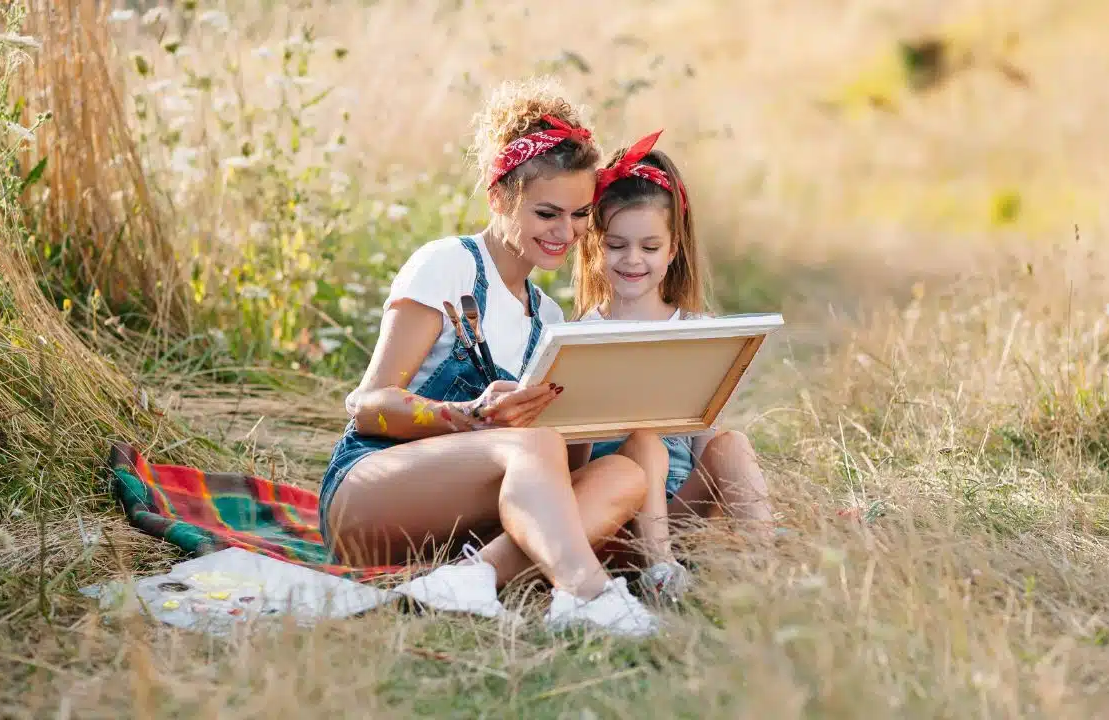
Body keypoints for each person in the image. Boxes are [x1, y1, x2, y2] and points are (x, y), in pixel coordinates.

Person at [317, 78, 660, 638]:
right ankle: (587, 594)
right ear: (500, 197)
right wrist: (470, 415)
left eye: (579, 215)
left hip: (460, 526)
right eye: (547, 213)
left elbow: (550, 478)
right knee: (535, 443)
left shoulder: (549, 318)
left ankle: (468, 579)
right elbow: (367, 404)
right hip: (370, 493)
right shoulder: (448, 264)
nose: (566, 233)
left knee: (624, 473)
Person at [570, 129, 777, 603]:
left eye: (649, 246)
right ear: (595, 246)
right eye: (616, 245)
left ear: (673, 249)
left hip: (681, 515)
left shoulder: (695, 328)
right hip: (609, 519)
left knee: (732, 444)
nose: (632, 259)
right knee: (644, 440)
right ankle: (660, 572)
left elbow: (707, 440)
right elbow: (569, 460)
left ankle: (768, 563)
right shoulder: (579, 334)